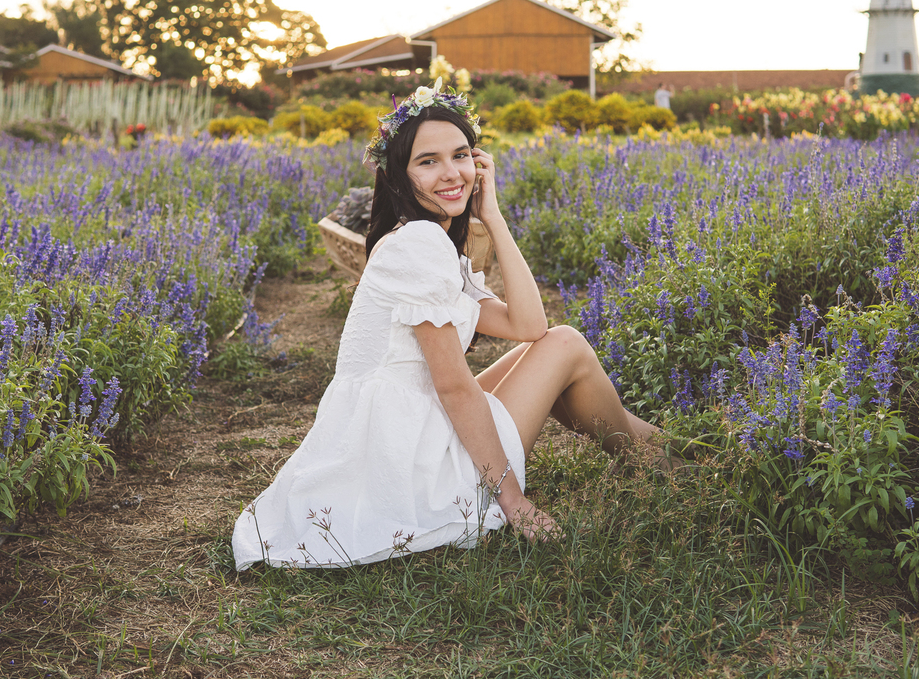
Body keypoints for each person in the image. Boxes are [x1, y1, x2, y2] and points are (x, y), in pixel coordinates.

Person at [230, 77, 667, 569]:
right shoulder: (418, 245)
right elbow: (455, 387)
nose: (451, 172)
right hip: (414, 465)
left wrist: (492, 216)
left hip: (400, 431)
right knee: (566, 345)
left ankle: (671, 456)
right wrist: (513, 502)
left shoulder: (424, 241)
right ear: (399, 178)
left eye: (460, 155)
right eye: (428, 161)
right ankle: (660, 462)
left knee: (554, 347)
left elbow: (528, 326)